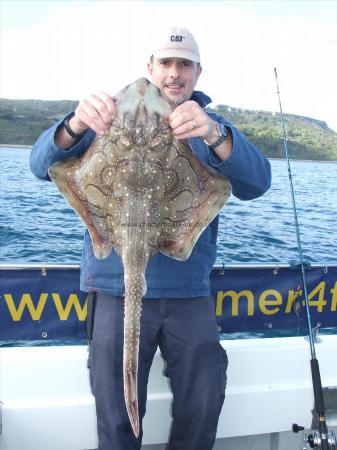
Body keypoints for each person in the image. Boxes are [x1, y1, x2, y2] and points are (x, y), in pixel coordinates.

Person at [30, 26, 271, 450]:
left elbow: (258, 183)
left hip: (187, 291)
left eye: (185, 65)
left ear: (198, 73)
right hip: (115, 287)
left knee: (203, 400)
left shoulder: (209, 128)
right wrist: (75, 123)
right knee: (115, 410)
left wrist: (215, 135)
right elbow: (39, 164)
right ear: (150, 68)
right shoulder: (106, 121)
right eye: (166, 63)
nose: (174, 73)